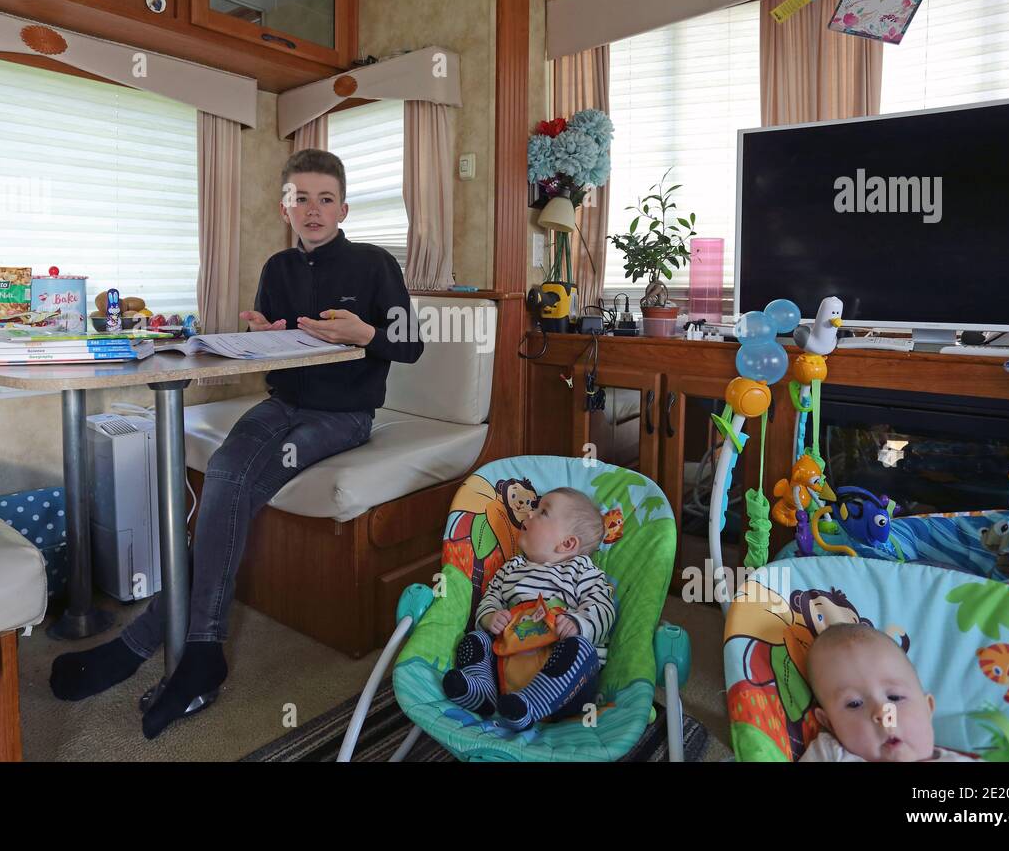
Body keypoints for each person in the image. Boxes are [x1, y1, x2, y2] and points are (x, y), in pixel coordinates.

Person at [50, 149, 424, 739]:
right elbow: (271, 337)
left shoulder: (375, 264)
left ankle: (151, 641)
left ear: (344, 207)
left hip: (344, 415)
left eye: (325, 198)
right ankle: (198, 651)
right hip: (282, 403)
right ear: (285, 208)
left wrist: (366, 332)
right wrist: (264, 336)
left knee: (243, 478)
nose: (313, 209)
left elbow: (409, 346)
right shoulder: (277, 267)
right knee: (226, 469)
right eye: (300, 198)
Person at [443, 488, 615, 730]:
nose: (530, 514)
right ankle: (483, 690)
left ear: (567, 543)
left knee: (580, 650)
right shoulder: (511, 568)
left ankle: (531, 705)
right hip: (507, 668)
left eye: (543, 512)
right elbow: (491, 597)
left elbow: (603, 607)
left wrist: (578, 624)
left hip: (563, 686)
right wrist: (490, 616)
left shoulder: (582, 571)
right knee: (475, 639)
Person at [801, 623, 978, 761]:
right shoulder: (830, 754)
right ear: (830, 723)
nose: (883, 712)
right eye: (854, 704)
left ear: (928, 707)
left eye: (895, 697)